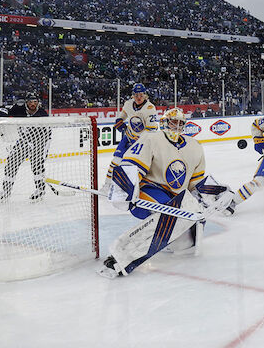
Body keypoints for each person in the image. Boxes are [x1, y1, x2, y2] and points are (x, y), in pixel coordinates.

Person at [98, 108, 232, 278]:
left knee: (184, 245)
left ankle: (168, 239)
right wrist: (124, 188)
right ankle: (120, 257)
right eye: (173, 122)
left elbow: (195, 185)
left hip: (177, 198)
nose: (177, 126)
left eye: (180, 123)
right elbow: (131, 165)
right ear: (164, 123)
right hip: (151, 189)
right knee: (166, 213)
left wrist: (217, 192)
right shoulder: (151, 138)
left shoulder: (195, 147)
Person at [101, 83, 158, 192]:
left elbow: (152, 130)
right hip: (128, 138)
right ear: (133, 95)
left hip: (143, 142)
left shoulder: (150, 108)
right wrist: (119, 120)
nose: (139, 98)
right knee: (116, 161)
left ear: (145, 95)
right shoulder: (128, 104)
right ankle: (107, 185)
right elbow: (123, 115)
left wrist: (140, 140)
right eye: (136, 95)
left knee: (139, 166)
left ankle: (140, 188)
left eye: (141, 95)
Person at [0, 93, 50, 201]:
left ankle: (40, 190)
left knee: (37, 166)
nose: (32, 104)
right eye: (30, 102)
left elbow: (47, 134)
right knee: (11, 164)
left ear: (38, 103)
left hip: (40, 142)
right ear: (26, 102)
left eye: (35, 102)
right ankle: (6, 192)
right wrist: (3, 114)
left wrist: (44, 151)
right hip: (24, 141)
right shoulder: (19, 109)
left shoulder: (42, 113)